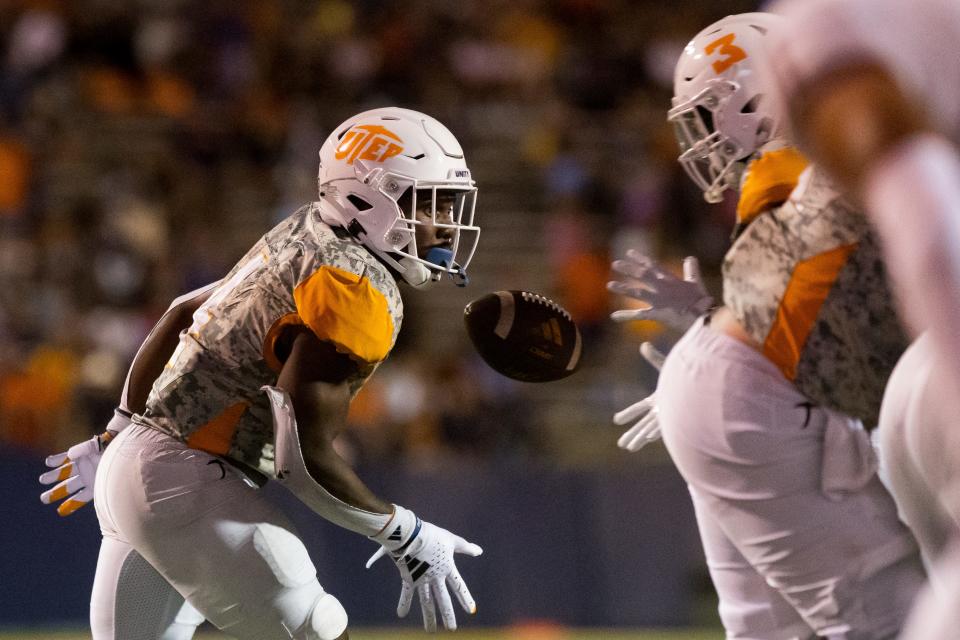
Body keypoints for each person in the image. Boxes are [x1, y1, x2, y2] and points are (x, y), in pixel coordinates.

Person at [39, 106, 484, 639]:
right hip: (184, 481)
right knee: (316, 631)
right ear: (371, 195)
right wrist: (404, 534)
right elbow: (302, 460)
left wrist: (116, 433)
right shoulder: (354, 287)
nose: (444, 224)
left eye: (450, 203)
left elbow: (184, 310)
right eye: (430, 202)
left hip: (139, 467)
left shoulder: (307, 231)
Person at [608, 13, 925, 639]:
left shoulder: (790, 171)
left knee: (768, 632)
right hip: (760, 396)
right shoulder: (804, 163)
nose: (703, 139)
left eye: (707, 116)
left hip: (734, 389)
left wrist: (708, 345)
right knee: (898, 623)